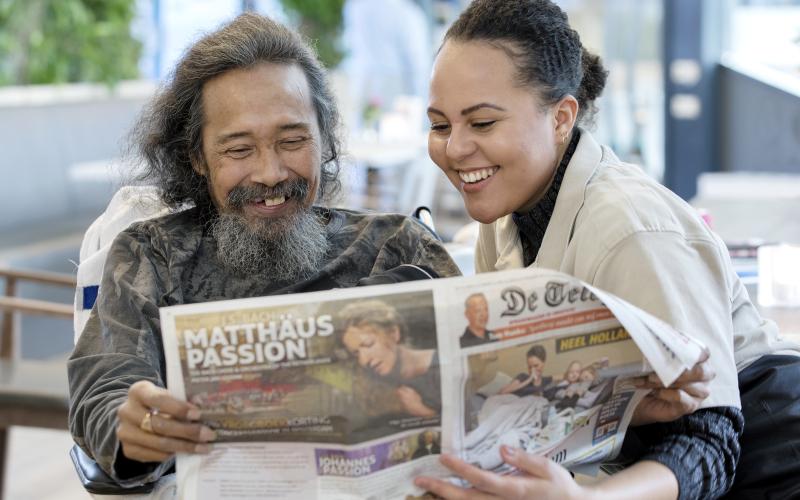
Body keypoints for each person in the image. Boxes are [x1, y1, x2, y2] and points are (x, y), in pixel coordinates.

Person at [415, 1, 800, 499]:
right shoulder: (503, 212)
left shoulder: (631, 228)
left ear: (561, 117)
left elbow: (709, 449)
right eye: (441, 125)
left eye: (483, 123)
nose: (455, 148)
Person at [67, 13, 460, 488]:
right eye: (238, 150)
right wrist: (131, 425)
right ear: (196, 156)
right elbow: (105, 381)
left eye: (292, 141)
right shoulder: (152, 255)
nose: (271, 173)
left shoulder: (396, 248)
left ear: (325, 141)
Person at [338, 299, 441, 418]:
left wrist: (424, 412)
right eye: (356, 353)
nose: (363, 360)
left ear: (394, 333)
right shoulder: (372, 387)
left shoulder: (443, 362)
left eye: (368, 344)